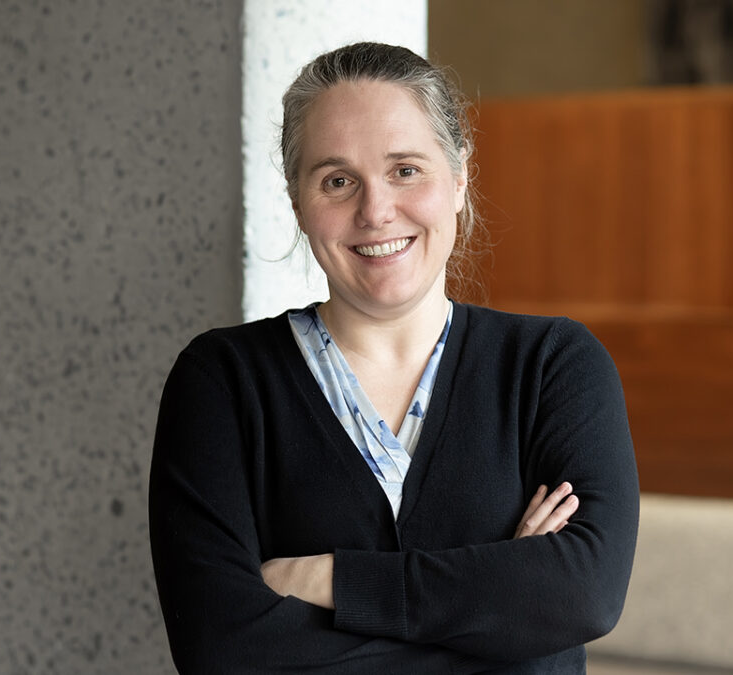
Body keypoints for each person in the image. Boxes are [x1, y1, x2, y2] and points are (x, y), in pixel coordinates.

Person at [149, 42, 638, 674]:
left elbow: (584, 595)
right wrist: (502, 612)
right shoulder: (222, 381)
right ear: (298, 203)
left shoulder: (552, 366)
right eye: (337, 181)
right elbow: (222, 650)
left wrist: (331, 582)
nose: (376, 212)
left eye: (406, 170)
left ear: (459, 179)